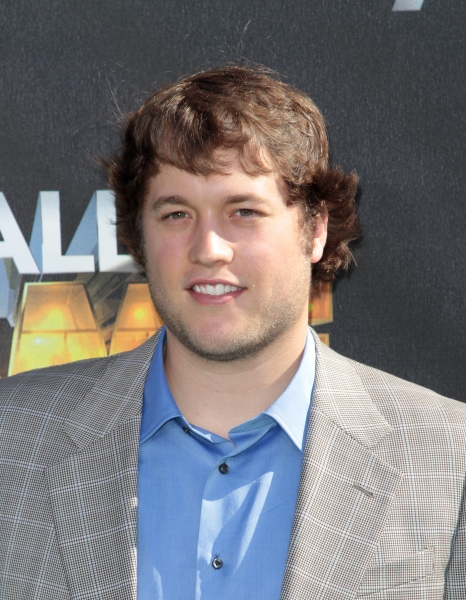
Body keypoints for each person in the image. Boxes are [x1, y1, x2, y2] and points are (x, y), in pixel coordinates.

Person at [1, 65, 465, 600]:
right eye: (176, 214)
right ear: (139, 238)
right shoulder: (13, 441)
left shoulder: (446, 455)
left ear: (315, 230)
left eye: (243, 211)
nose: (209, 249)